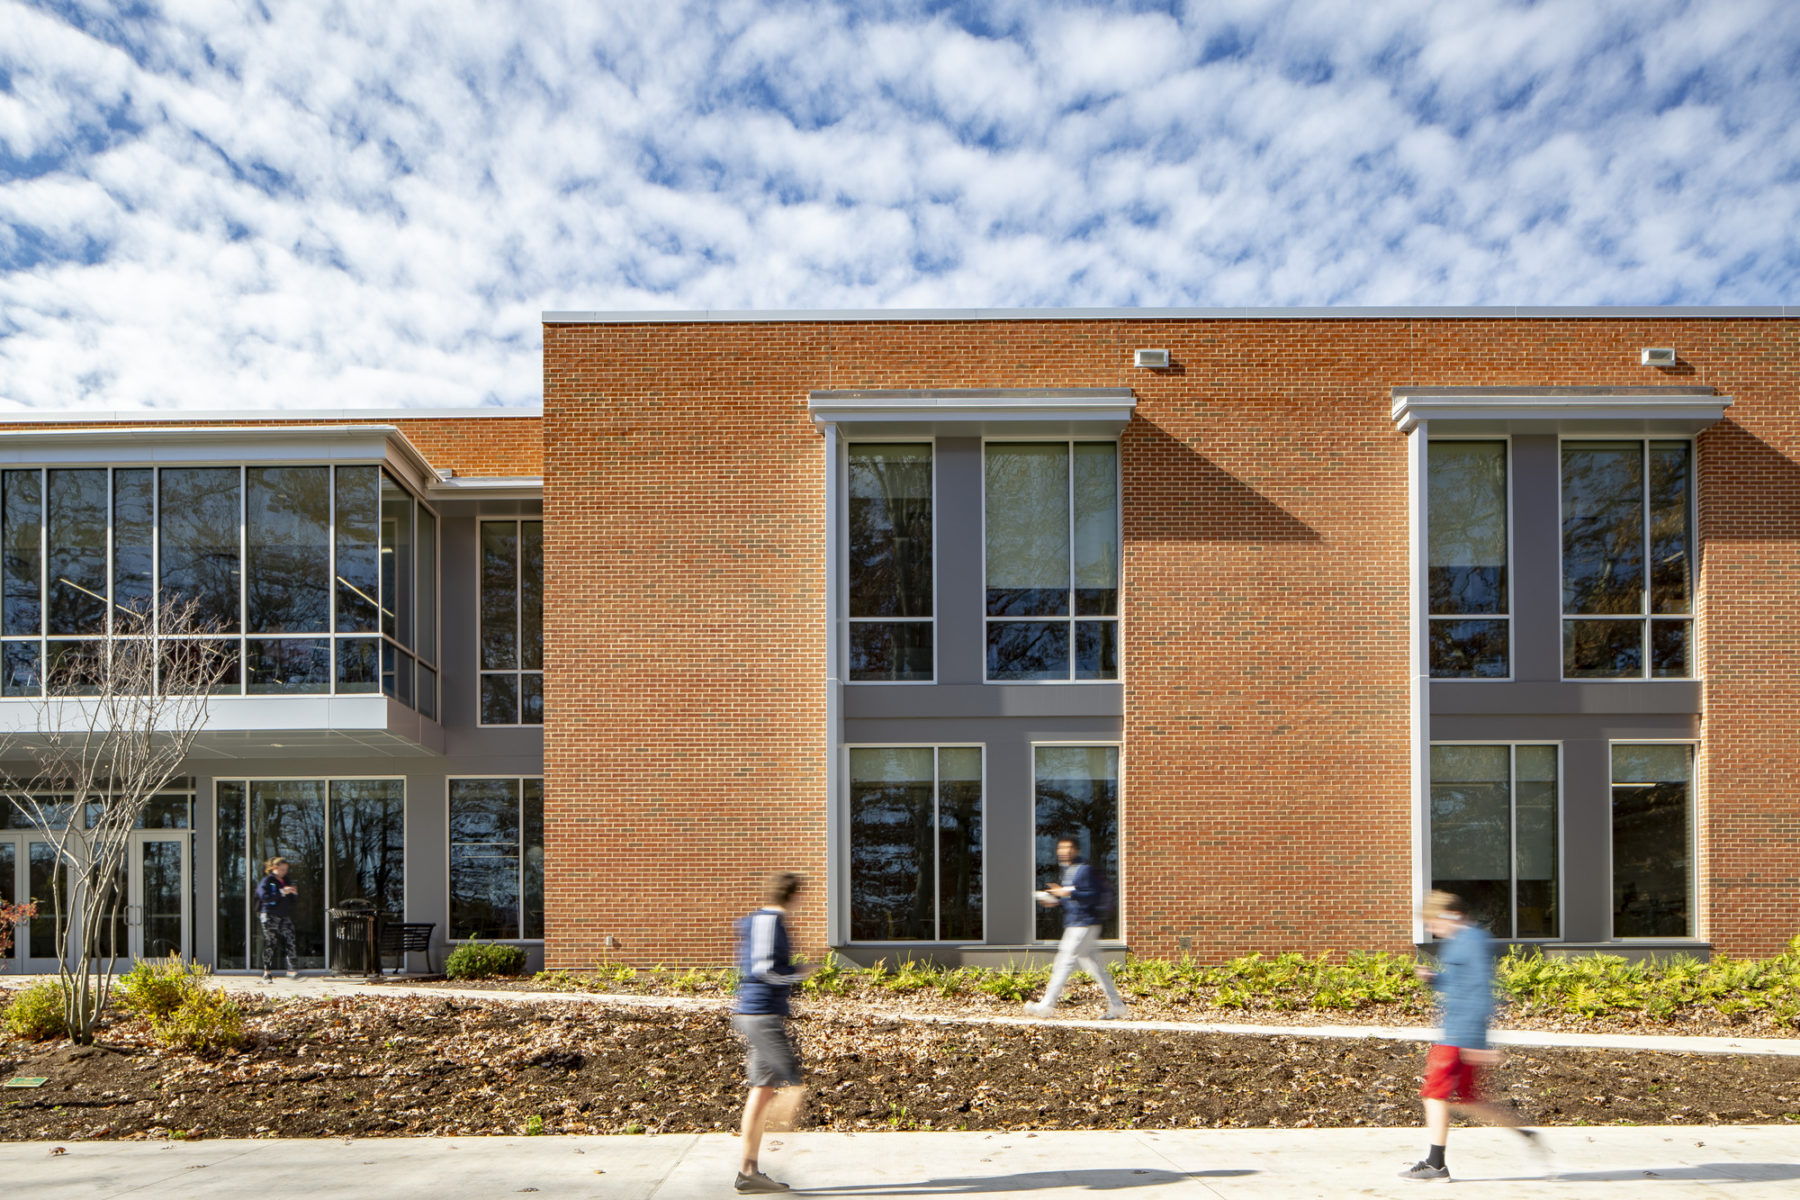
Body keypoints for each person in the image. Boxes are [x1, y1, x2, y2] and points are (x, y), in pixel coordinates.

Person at [1400, 889, 1544, 1181]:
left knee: (1433, 1095)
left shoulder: (1473, 942)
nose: (1431, 929)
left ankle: (1435, 1164)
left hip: (1459, 1036)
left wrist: (1478, 1043)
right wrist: (1435, 979)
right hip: (1459, 1032)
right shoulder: (1461, 941)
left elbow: (1483, 991)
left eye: (1433, 922)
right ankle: (1523, 1131)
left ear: (1450, 915)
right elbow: (1458, 985)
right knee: (1469, 1100)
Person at [731, 871, 816, 1194]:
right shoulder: (768, 921)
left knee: (762, 1088)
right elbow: (763, 970)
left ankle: (748, 1172)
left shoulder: (768, 921)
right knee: (794, 1084)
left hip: (762, 1014)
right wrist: (798, 973)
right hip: (760, 1014)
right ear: (792, 895)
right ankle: (781, 1140)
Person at [1025, 835, 1127, 1020]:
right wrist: (1056, 901)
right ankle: (1117, 1006)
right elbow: (1073, 899)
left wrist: (1067, 893)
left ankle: (1047, 1006)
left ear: (1077, 851)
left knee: (1063, 962)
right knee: (1096, 969)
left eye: (1069, 848)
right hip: (1080, 923)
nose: (1064, 851)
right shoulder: (1069, 871)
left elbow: (1091, 896)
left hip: (1083, 924)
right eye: (1061, 848)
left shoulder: (1084, 870)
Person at [255, 856, 301, 981]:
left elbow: (291, 900)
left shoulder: (286, 880)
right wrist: (281, 892)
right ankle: (267, 971)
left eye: (286, 870)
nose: (284, 872)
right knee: (271, 942)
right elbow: (264, 896)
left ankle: (292, 970)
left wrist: (293, 893)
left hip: (284, 915)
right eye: (281, 869)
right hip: (270, 915)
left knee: (290, 939)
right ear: (274, 868)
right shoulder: (267, 881)